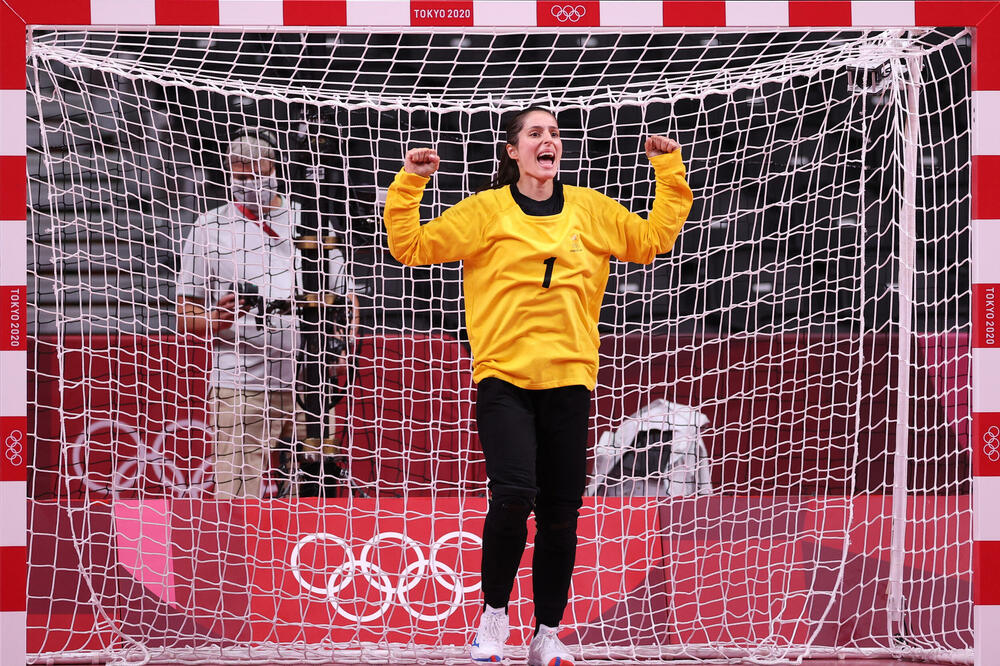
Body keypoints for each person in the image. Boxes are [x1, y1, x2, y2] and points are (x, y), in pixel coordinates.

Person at [383, 107, 693, 666]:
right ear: (513, 151)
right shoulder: (485, 211)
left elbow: (652, 240)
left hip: (570, 380)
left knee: (560, 513)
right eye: (534, 133)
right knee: (513, 496)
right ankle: (493, 619)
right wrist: (411, 183)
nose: (547, 140)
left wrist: (668, 171)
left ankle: (547, 633)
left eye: (553, 133)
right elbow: (410, 247)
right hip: (504, 378)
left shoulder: (591, 209)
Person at [177, 128, 359, 498]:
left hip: (309, 380)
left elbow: (346, 296)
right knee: (235, 498)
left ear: (274, 170)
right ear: (229, 173)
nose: (249, 184)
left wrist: (343, 345)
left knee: (316, 495)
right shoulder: (209, 227)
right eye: (241, 177)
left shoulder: (307, 219)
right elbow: (184, 312)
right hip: (239, 383)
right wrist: (214, 319)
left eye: (258, 175)